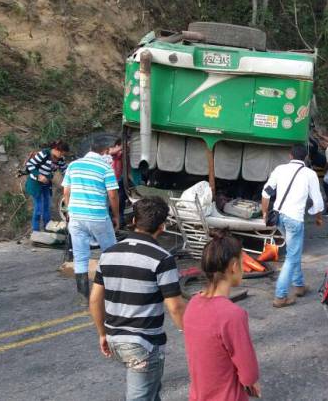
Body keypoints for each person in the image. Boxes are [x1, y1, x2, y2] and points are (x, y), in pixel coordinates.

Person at [89, 196, 187, 401]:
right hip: (143, 345)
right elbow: (175, 307)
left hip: (115, 339)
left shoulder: (108, 254)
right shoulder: (162, 258)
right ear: (162, 226)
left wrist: (102, 333)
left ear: (134, 221)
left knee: (151, 392)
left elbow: (95, 300)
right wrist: (189, 332)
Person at [184, 229, 261, 400]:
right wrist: (251, 382)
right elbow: (248, 372)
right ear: (234, 266)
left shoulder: (193, 304)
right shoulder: (233, 315)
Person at [261, 144, 324, 308]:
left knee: (293, 252)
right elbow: (317, 202)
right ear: (306, 158)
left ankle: (299, 285)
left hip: (279, 217)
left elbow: (266, 192)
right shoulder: (310, 174)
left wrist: (264, 213)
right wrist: (317, 218)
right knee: (291, 257)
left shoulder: (280, 169)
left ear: (290, 155)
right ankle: (280, 296)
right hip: (295, 219)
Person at [63, 136, 120, 303]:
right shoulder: (105, 167)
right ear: (104, 151)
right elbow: (113, 195)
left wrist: (68, 210)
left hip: (76, 217)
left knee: (80, 256)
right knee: (110, 253)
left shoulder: (73, 165)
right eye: (108, 151)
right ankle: (112, 291)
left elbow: (67, 191)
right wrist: (116, 216)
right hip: (97, 216)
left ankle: (84, 295)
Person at [24, 140, 70, 231]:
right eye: (61, 153)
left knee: (46, 205)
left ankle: (47, 227)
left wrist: (71, 180)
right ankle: (35, 231)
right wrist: (39, 175)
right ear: (56, 149)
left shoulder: (60, 159)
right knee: (38, 207)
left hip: (46, 184)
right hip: (35, 183)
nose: (62, 156)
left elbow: (65, 171)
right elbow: (30, 164)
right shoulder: (44, 154)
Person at [109, 138, 128, 228]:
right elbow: (111, 151)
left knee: (121, 201)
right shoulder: (112, 153)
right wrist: (123, 146)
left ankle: (120, 222)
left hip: (121, 179)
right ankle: (115, 222)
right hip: (113, 181)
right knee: (114, 202)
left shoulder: (123, 154)